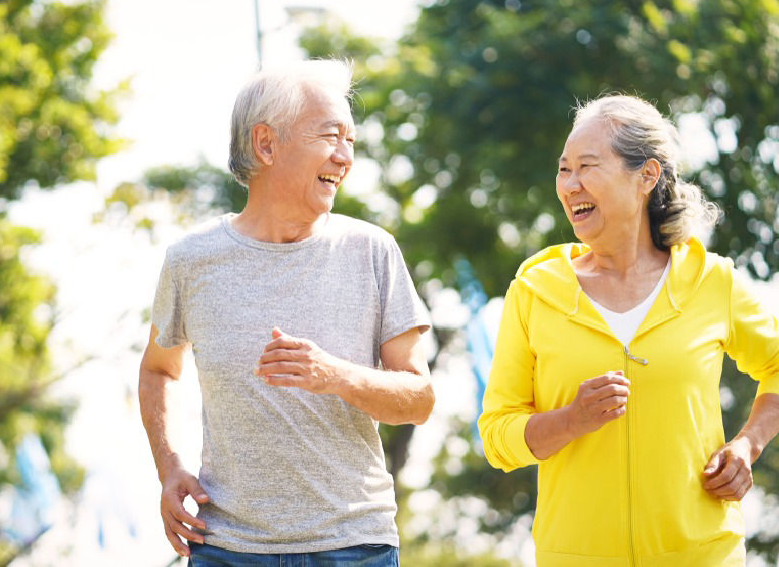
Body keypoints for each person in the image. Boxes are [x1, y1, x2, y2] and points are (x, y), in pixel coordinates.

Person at [138, 59, 434, 566]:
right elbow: (158, 369)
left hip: (354, 548)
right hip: (226, 550)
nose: (345, 157)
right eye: (330, 136)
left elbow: (419, 399)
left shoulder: (373, 250)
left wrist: (335, 375)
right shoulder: (191, 260)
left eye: (351, 141)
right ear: (266, 144)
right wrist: (169, 466)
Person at [479, 94, 779, 566]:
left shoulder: (710, 281)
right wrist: (571, 420)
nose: (570, 185)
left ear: (647, 176)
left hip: (702, 556)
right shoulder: (535, 291)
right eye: (563, 169)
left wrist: (748, 443)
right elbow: (497, 435)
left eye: (587, 166)